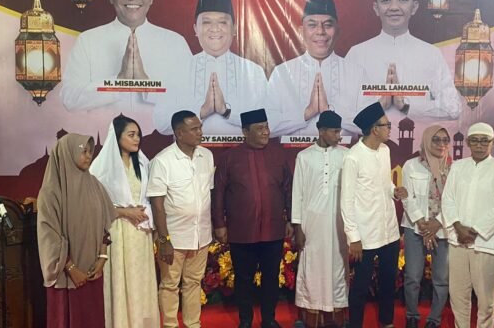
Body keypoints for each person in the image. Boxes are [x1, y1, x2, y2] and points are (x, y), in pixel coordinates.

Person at [61, 0, 192, 121]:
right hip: (104, 134)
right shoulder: (88, 41)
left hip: (159, 136)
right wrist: (119, 81)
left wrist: (145, 83)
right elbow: (70, 99)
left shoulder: (175, 43)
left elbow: (189, 98)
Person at [345, 0, 460, 120]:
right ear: (376, 8)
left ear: (414, 7)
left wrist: (405, 106)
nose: (394, 7)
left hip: (419, 136)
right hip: (369, 137)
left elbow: (453, 109)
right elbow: (342, 112)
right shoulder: (357, 54)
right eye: (386, 0)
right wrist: (379, 106)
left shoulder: (431, 54)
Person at [212, 109, 293, 328]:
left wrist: (290, 219)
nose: (266, 132)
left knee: (271, 277)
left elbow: (288, 189)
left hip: (272, 229)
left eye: (266, 127)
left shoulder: (278, 154)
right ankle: (245, 320)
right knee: (243, 279)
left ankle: (269, 319)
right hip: (242, 231)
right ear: (245, 132)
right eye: (260, 129)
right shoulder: (229, 158)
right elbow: (218, 193)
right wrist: (219, 224)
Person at [155, 0, 268, 135]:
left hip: (240, 149)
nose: (214, 29)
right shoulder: (178, 70)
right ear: (196, 29)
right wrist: (202, 111)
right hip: (192, 149)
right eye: (206, 22)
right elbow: (161, 122)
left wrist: (226, 111)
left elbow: (265, 119)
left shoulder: (253, 71)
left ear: (234, 29)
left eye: (222, 22)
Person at [37, 133, 117, 328]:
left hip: (92, 271)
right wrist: (72, 269)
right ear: (67, 153)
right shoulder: (51, 192)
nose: (89, 156)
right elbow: (49, 236)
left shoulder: (95, 185)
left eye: (90, 151)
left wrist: (102, 259)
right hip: (66, 275)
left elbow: (104, 225)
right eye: (83, 151)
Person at [341, 102, 408, 328]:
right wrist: (354, 237)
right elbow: (346, 200)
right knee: (360, 287)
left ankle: (386, 322)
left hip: (388, 230)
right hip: (365, 235)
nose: (390, 128)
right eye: (386, 125)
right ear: (374, 129)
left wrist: (394, 191)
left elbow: (385, 183)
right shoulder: (353, 157)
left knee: (388, 283)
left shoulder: (385, 150)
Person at [89, 115, 160, 328]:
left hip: (141, 233)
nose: (137, 139)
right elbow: (93, 204)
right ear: (117, 137)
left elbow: (151, 197)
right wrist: (125, 212)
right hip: (117, 231)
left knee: (141, 281)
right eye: (131, 134)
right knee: (120, 281)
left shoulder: (143, 163)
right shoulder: (101, 167)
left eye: (138, 134)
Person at [147, 110, 215, 328]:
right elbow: (157, 205)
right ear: (179, 133)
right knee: (169, 285)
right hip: (174, 238)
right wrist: (164, 240)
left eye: (200, 127)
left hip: (201, 235)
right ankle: (169, 325)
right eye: (194, 129)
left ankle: (193, 324)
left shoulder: (207, 156)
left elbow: (208, 194)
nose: (200, 132)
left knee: (194, 283)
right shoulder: (162, 161)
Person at [441, 123, 494, 328]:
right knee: (458, 296)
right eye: (475, 141)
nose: (479, 145)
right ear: (468, 142)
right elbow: (448, 199)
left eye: (484, 141)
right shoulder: (458, 167)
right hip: (458, 241)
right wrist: (458, 227)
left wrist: (475, 231)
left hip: (485, 243)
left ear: (492, 142)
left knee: (486, 300)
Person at [267, 0, 368, 136]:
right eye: (312, 25)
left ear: (337, 31)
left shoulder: (356, 73)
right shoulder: (281, 73)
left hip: (344, 150)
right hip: (293, 151)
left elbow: (370, 126)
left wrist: (329, 111)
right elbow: (267, 127)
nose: (320, 31)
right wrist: (307, 113)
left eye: (328, 25)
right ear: (301, 31)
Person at [292, 111, 349, 327]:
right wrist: (298, 226)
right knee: (312, 270)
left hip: (338, 225)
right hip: (312, 225)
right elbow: (298, 193)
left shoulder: (346, 155)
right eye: (335, 131)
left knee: (338, 268)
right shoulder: (304, 157)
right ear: (322, 131)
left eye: (339, 131)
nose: (338, 136)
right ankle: (312, 318)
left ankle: (335, 319)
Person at [400, 125, 451, 328]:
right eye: (436, 139)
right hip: (415, 228)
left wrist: (436, 224)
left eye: (445, 140)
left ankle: (434, 319)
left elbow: (454, 201)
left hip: (443, 229)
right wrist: (423, 224)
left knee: (441, 279)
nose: (441, 144)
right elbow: (407, 197)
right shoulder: (411, 165)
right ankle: (412, 315)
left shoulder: (454, 169)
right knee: (412, 276)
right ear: (427, 141)